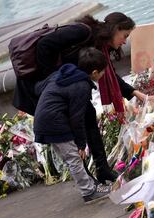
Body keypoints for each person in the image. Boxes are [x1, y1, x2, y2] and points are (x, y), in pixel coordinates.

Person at [13, 12, 154, 185]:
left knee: (88, 115)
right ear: (116, 29)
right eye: (124, 36)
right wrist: (53, 80)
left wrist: (135, 93)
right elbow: (44, 45)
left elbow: (107, 73)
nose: (124, 41)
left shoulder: (99, 46)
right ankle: (87, 180)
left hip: (62, 87)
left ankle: (102, 170)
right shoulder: (83, 32)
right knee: (71, 128)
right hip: (42, 86)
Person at [33, 47, 110, 203]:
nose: (103, 75)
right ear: (95, 72)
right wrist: (81, 144)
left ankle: (90, 186)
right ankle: (88, 192)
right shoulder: (81, 85)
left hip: (45, 120)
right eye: (103, 72)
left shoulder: (67, 74)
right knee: (74, 158)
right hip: (55, 123)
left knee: (71, 158)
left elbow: (39, 88)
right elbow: (77, 117)